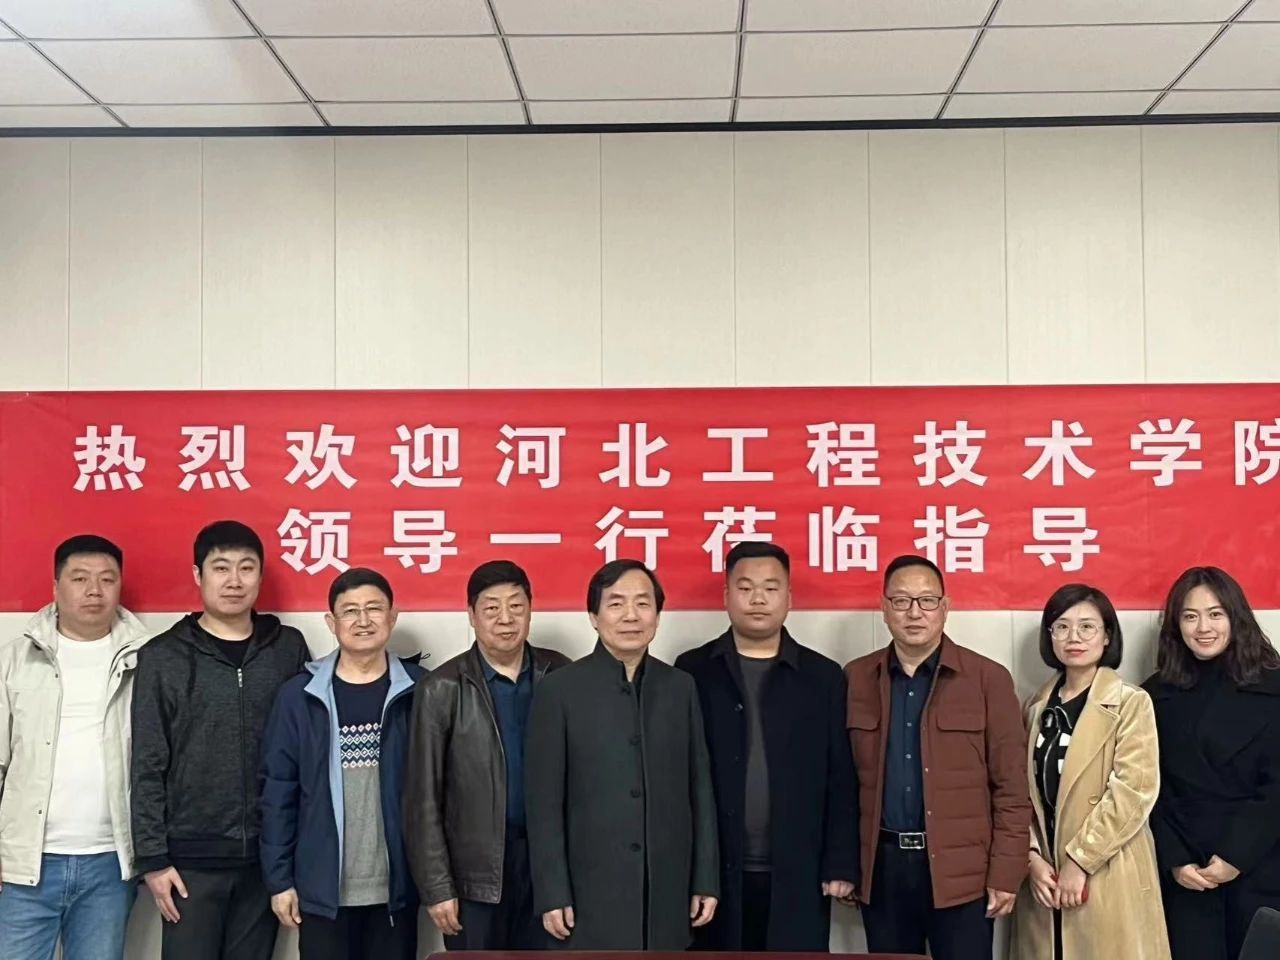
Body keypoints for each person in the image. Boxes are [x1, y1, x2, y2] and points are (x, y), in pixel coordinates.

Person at [130, 520, 309, 960]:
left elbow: (304, 749)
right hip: (190, 862)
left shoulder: (287, 648)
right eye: (221, 567)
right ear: (198, 574)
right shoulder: (162, 656)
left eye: (246, 568)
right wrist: (153, 859)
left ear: (260, 576)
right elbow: (147, 763)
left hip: (267, 858)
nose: (234, 580)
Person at [525, 559, 719, 950]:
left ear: (657, 616)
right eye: (616, 603)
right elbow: (543, 803)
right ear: (593, 617)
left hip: (667, 892)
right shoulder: (559, 691)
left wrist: (705, 878)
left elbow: (699, 788)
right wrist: (551, 890)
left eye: (643, 603)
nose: (631, 615)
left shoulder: (680, 687)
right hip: (587, 894)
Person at [675, 541, 859, 951]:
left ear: (789, 598)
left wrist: (841, 861)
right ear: (726, 596)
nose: (758, 598)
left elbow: (841, 776)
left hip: (799, 869)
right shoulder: (693, 671)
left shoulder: (822, 676)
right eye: (745, 588)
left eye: (771, 588)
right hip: (713, 873)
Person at [845, 554, 1030, 960]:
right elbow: (842, 784)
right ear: (884, 607)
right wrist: (844, 866)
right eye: (901, 601)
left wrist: (1007, 872)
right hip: (883, 871)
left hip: (963, 874)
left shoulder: (987, 679)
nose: (915, 613)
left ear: (945, 607)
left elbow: (1012, 788)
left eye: (927, 601)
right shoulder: (856, 678)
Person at [404, 560, 569, 949]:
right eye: (492, 608)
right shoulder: (441, 688)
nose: (505, 619)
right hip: (474, 876)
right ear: (471, 615)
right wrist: (437, 887)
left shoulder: (561, 675)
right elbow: (422, 798)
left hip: (549, 869)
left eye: (516, 606)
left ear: (530, 610)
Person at [260, 567, 423, 960]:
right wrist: (279, 880)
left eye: (374, 608)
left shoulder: (423, 691)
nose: (363, 620)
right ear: (331, 622)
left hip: (398, 892)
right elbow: (278, 793)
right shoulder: (299, 697)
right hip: (322, 894)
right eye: (350, 611)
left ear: (392, 617)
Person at [0, 535, 151, 960]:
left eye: (107, 579)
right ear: (55, 586)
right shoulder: (15, 659)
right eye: (80, 578)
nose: (94, 590)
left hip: (110, 862)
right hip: (25, 864)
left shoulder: (148, 659)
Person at [1010, 583, 1170, 960]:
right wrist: (1031, 858)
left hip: (1108, 869)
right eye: (1062, 627)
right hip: (1045, 877)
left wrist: (1081, 860)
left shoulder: (1131, 702)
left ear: (1107, 635)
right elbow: (1018, 793)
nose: (1074, 637)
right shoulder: (1035, 707)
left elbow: (1133, 791)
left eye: (1087, 627)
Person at [1144, 566, 1280, 960]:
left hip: (1261, 866)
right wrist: (1175, 860)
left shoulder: (1274, 685)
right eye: (1190, 616)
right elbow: (1148, 788)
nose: (1203, 627)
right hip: (1188, 875)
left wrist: (1236, 857)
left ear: (1236, 617)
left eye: (1215, 614)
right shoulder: (1153, 695)